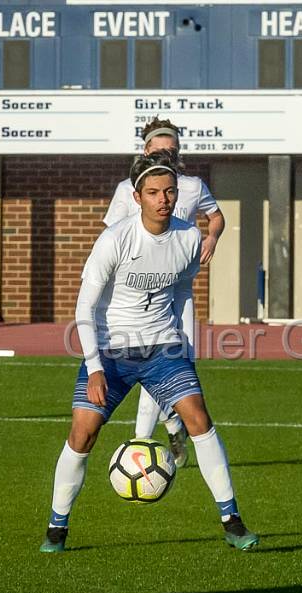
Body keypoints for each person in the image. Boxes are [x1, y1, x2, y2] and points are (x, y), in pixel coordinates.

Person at [40, 151, 257, 553]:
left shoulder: (188, 237)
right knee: (82, 433)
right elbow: (83, 307)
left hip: (162, 349)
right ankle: (57, 526)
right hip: (109, 353)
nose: (164, 199)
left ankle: (232, 520)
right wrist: (95, 367)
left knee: (199, 420)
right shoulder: (114, 239)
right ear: (137, 196)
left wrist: (184, 346)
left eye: (170, 191)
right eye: (154, 191)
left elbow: (182, 289)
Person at [104, 118, 226, 468]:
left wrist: (211, 236)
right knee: (150, 358)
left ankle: (167, 425)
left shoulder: (190, 186)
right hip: (141, 294)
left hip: (178, 292)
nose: (166, 155)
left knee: (177, 363)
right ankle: (150, 438)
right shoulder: (128, 189)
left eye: (172, 150)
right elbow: (112, 238)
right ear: (146, 151)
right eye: (159, 150)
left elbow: (216, 217)